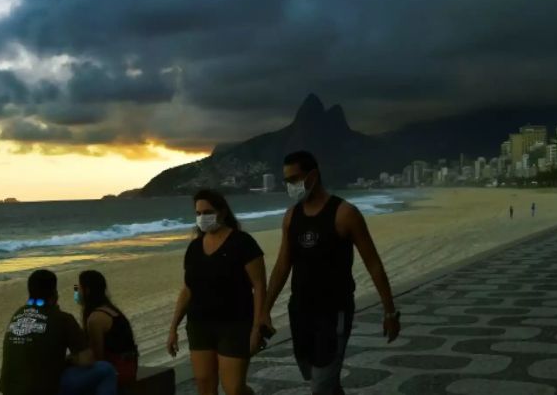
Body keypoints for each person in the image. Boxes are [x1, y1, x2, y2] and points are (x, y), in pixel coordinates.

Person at [261, 151, 401, 395]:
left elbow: (373, 263)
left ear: (313, 176)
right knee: (319, 379)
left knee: (321, 386)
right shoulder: (291, 216)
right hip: (300, 311)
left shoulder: (345, 213)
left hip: (333, 312)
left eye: (295, 179)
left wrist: (389, 311)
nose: (291, 186)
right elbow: (282, 266)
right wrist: (264, 310)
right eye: (287, 181)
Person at [167, 189, 267, 395]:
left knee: (233, 388)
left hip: (235, 324)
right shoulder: (194, 248)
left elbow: (259, 286)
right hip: (199, 324)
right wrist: (173, 327)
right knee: (204, 383)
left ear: (221, 212)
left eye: (207, 212)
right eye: (198, 213)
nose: (202, 217)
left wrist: (258, 325)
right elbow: (187, 289)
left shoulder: (242, 242)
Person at [0, 269, 117, 395]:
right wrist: (70, 360)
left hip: (8, 389)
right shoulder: (62, 318)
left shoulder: (18, 314)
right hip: (43, 390)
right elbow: (87, 360)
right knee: (106, 370)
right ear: (55, 293)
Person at [76, 270, 140, 386]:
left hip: (117, 371)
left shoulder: (95, 319)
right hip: (129, 366)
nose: (76, 292)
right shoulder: (110, 310)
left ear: (87, 291)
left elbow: (98, 359)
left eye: (78, 288)